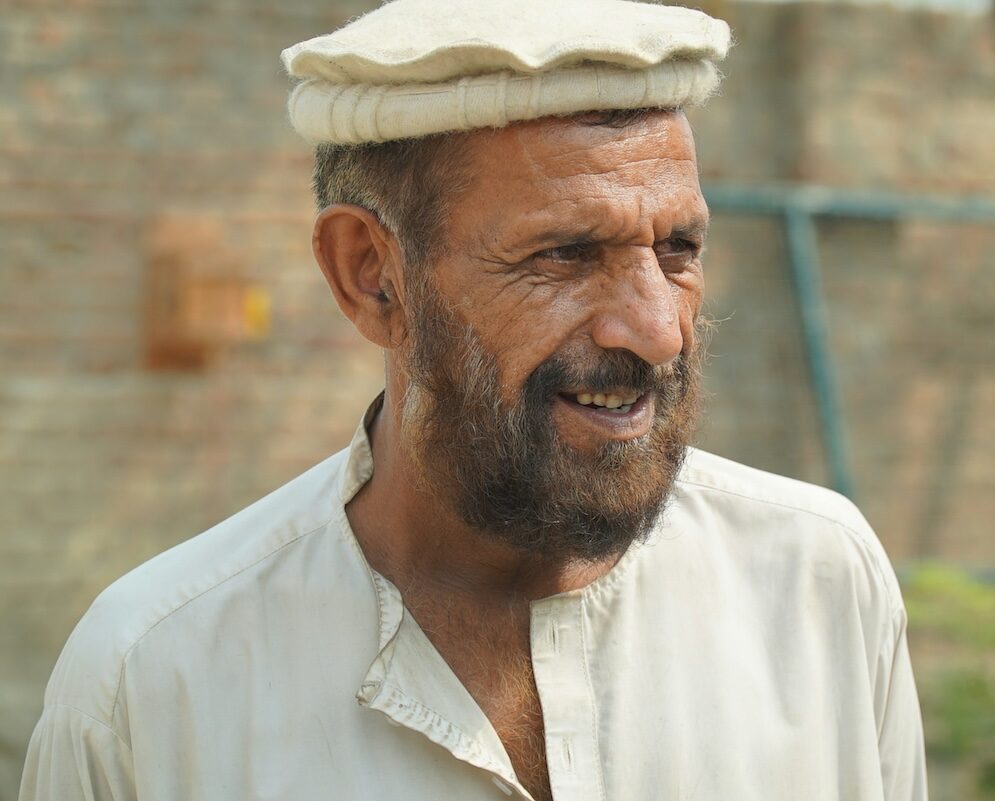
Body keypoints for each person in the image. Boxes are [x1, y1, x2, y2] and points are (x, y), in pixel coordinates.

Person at [20, 0, 927, 799]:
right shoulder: (154, 682)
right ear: (372, 276)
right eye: (564, 255)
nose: (656, 330)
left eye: (678, 249)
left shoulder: (819, 587)